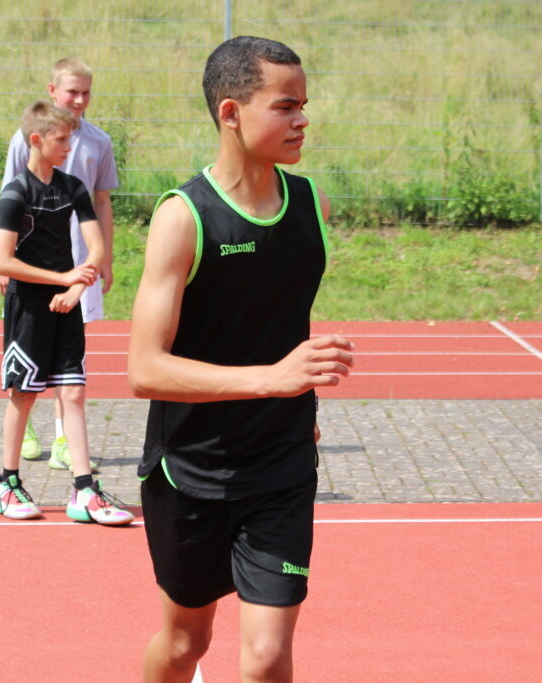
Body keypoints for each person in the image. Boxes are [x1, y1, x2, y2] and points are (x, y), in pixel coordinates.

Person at [127, 36, 355, 682]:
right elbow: (144, 369)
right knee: (184, 644)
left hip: (281, 466)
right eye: (285, 106)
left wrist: (292, 393)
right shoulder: (184, 218)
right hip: (191, 471)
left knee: (266, 656)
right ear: (230, 113)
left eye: (304, 105)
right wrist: (272, 380)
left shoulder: (311, 206)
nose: (302, 119)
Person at [0, 100, 133, 526]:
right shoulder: (15, 194)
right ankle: (7, 485)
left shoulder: (73, 187)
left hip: (66, 305)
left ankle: (84, 491)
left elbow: (97, 248)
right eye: (61, 139)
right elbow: (3, 262)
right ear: (37, 140)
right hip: (28, 309)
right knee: (23, 395)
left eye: (70, 138)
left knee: (72, 393)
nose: (69, 146)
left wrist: (75, 289)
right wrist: (61, 279)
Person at [0, 57, 119, 471]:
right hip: (33, 280)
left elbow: (101, 202)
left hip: (76, 273)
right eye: (73, 92)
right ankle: (19, 446)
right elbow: (7, 211)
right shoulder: (25, 151)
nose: (80, 99)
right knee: (27, 376)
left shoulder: (97, 145)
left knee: (72, 376)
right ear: (53, 91)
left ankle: (68, 449)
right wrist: (4, 266)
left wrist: (97, 264)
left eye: (87, 92)